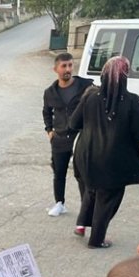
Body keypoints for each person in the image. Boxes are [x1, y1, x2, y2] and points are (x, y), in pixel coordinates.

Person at [69, 56, 139, 248]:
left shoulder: (90, 96)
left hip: (87, 155)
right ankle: (96, 240)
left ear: (103, 75)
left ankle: (82, 223)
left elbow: (73, 123)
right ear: (126, 76)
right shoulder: (133, 101)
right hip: (114, 159)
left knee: (91, 189)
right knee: (107, 198)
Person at [42, 52, 93, 217]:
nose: (68, 69)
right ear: (55, 69)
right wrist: (49, 131)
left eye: (70, 65)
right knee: (59, 173)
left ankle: (87, 208)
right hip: (60, 138)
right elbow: (47, 112)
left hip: (81, 137)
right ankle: (59, 203)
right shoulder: (50, 92)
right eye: (64, 66)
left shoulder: (85, 86)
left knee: (84, 174)